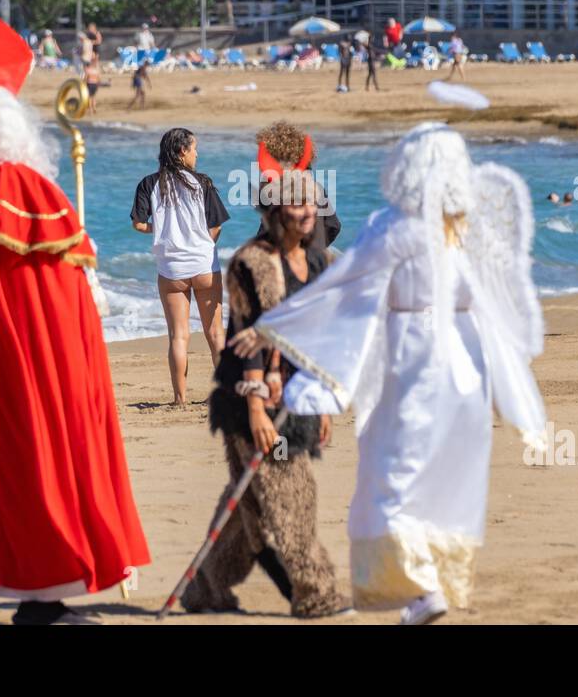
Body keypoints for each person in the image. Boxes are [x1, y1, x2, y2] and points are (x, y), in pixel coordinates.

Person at [233, 124, 548, 625]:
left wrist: (276, 329)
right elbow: (495, 302)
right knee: (440, 476)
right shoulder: (469, 227)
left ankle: (421, 589)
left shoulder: (393, 227)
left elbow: (346, 287)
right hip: (465, 371)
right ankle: (430, 583)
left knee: (391, 476)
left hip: (412, 363)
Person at [0, 18, 149, 624]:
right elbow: (68, 303)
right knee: (35, 457)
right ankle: (41, 599)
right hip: (34, 368)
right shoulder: (38, 195)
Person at [180, 169, 350, 619]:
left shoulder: (315, 265)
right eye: (299, 207)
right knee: (292, 494)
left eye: (314, 208)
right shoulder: (251, 265)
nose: (310, 216)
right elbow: (249, 339)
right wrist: (256, 407)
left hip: (293, 401)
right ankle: (318, 593)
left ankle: (204, 589)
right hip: (249, 402)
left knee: (247, 505)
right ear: (275, 216)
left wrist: (323, 400)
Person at [131, 128, 229, 406]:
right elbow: (216, 225)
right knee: (215, 333)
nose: (197, 153)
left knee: (178, 336)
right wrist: (201, 243)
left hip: (171, 269)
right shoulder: (202, 183)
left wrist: (162, 230)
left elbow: (138, 224)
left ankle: (179, 398)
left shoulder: (148, 183)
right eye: (194, 148)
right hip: (204, 265)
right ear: (181, 151)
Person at [253, 121, 341, 249]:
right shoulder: (315, 188)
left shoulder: (272, 188)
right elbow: (333, 225)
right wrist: (313, 250)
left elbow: (267, 232)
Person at [81, 23, 102, 115]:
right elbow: (99, 77)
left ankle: (90, 109)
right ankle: (94, 108)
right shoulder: (96, 69)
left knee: (90, 96)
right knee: (93, 96)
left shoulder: (96, 34)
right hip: (95, 83)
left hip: (90, 82)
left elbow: (99, 41)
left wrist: (83, 82)